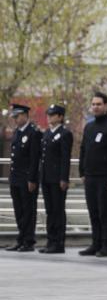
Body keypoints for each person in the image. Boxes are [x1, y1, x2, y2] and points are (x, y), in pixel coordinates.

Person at [80, 92, 107, 257]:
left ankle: (106, 245)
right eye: (93, 104)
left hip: (105, 176)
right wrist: (82, 171)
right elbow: (83, 149)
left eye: (99, 104)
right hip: (90, 176)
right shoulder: (89, 126)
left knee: (105, 212)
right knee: (93, 212)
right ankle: (95, 243)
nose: (95, 107)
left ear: (106, 106)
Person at [5, 103, 41, 252]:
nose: (15, 119)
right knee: (18, 210)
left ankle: (28, 241)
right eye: (14, 116)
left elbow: (34, 159)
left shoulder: (33, 133)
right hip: (15, 178)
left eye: (17, 116)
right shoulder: (17, 132)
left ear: (25, 116)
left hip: (27, 179)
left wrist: (32, 179)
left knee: (28, 210)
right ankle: (21, 239)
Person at [38, 104, 72, 254]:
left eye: (52, 115)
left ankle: (59, 243)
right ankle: (50, 240)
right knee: (50, 210)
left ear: (60, 117)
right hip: (46, 177)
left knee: (58, 210)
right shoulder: (47, 133)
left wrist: (64, 178)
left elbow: (65, 158)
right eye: (48, 114)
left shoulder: (65, 134)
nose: (49, 117)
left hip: (57, 178)